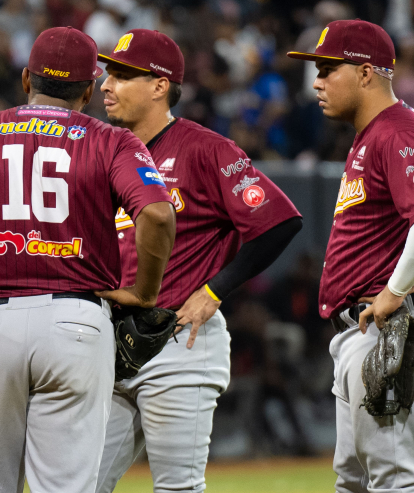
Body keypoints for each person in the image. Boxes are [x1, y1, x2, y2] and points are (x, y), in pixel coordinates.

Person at [0, 26, 176, 493]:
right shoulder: (114, 141)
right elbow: (158, 215)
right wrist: (144, 292)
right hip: (79, 322)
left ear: (26, 79)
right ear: (88, 88)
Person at [95, 29, 303, 492]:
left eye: (122, 75)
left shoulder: (205, 148)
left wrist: (215, 290)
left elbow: (280, 222)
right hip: (110, 342)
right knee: (78, 483)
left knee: (177, 487)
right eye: (107, 74)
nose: (106, 85)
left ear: (159, 85)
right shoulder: (104, 151)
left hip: (179, 341)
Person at [287, 19, 414, 492]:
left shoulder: (398, 131)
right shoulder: (371, 135)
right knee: (354, 485)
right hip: (369, 328)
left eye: (328, 68)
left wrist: (394, 292)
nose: (316, 81)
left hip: (399, 324)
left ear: (365, 73)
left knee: (400, 482)